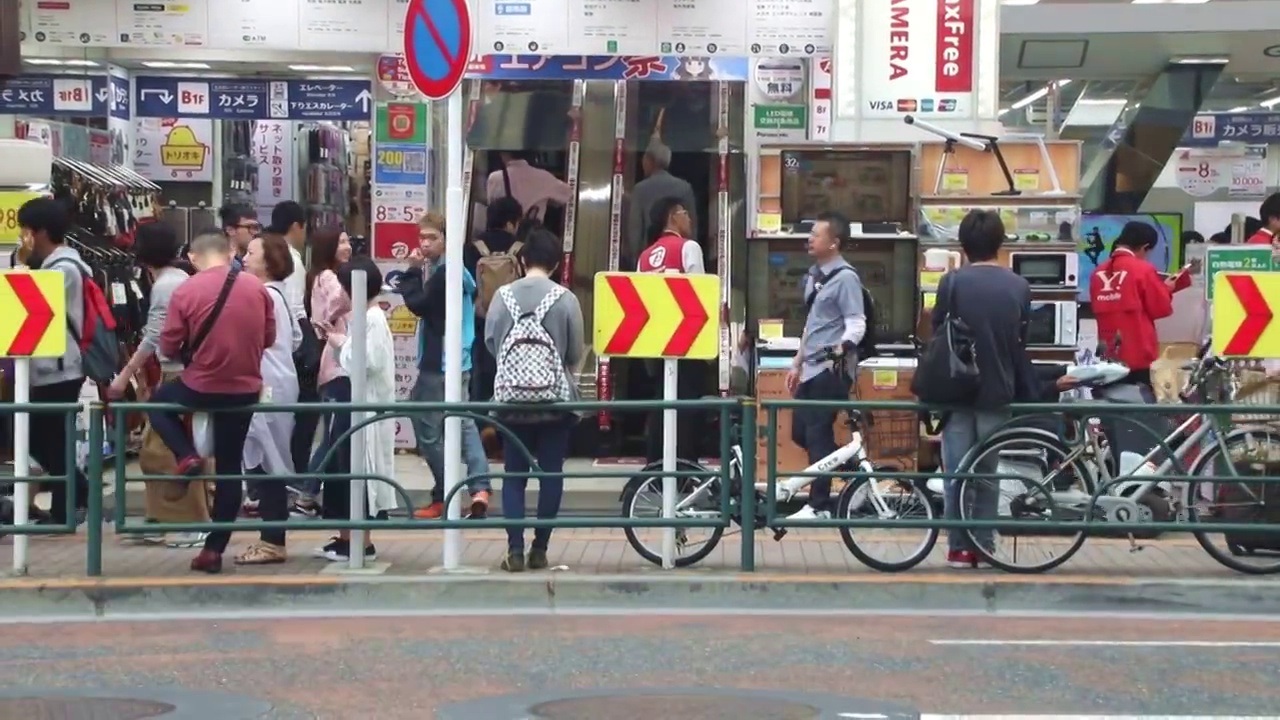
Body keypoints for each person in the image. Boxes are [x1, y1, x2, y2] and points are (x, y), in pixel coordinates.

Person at [148, 231, 275, 574]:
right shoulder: (257, 288)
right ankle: (213, 551)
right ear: (228, 251)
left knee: (158, 405)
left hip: (199, 386)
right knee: (230, 466)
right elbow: (269, 338)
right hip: (245, 388)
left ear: (192, 257)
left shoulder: (186, 290)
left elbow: (169, 346)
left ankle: (185, 455)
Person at [933, 210, 1031, 570]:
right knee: (988, 473)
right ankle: (985, 544)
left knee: (957, 472)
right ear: (1000, 243)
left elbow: (937, 330)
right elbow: (1021, 340)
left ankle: (958, 547)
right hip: (998, 390)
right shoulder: (1019, 286)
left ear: (963, 245)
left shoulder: (951, 282)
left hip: (957, 389)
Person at [485, 228, 584, 572]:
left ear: (523, 260)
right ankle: (540, 549)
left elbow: (491, 343)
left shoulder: (502, 296)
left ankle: (514, 550)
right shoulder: (566, 299)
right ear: (556, 264)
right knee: (551, 474)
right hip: (554, 402)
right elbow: (573, 352)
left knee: (514, 476)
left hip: (513, 403)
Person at [107, 223, 209, 548]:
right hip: (183, 372)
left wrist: (125, 375)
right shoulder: (181, 278)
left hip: (177, 374)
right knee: (165, 450)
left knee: (168, 452)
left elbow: (155, 336)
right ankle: (162, 519)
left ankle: (190, 523)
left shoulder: (166, 285)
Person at [398, 212, 493, 520]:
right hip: (460, 357)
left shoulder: (444, 274)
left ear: (446, 239)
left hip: (439, 361)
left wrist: (410, 274)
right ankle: (478, 488)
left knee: (427, 428)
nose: (424, 244)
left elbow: (420, 306)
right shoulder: (457, 271)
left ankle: (447, 489)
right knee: (463, 422)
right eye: (421, 238)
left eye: (431, 238)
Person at [314, 257, 400, 560]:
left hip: (365, 405)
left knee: (357, 471)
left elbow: (366, 362)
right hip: (360, 402)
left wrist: (340, 343)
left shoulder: (373, 318)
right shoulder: (368, 316)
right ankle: (347, 538)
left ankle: (359, 543)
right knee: (347, 469)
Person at [784, 211, 865, 521]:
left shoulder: (846, 278)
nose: (810, 239)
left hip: (831, 371)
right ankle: (851, 472)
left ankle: (819, 505)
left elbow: (856, 324)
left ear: (834, 243)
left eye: (816, 235)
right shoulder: (815, 276)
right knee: (800, 433)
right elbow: (812, 324)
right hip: (810, 368)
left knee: (817, 435)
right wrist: (797, 362)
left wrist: (839, 349)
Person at [16, 197, 91, 526]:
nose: (22, 238)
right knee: (39, 438)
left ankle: (70, 503)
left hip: (59, 370)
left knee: (48, 439)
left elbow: (26, 303)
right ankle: (70, 500)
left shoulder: (64, 271)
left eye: (25, 231)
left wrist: (20, 264)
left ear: (40, 232)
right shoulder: (51, 267)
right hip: (47, 370)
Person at [235, 233, 302, 565]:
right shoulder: (280, 295)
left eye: (251, 253)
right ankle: (270, 538)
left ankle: (273, 540)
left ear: (269, 261)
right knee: (268, 459)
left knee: (268, 463)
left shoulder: (263, 295)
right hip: (278, 382)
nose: (244, 258)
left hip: (266, 386)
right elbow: (296, 339)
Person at [637, 195, 707, 463]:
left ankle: (656, 464)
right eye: (685, 213)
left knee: (661, 402)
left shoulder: (644, 258)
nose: (689, 218)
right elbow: (699, 297)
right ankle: (684, 467)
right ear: (672, 216)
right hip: (685, 342)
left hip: (654, 344)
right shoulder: (688, 248)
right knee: (686, 406)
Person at [293, 228, 352, 519]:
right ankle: (307, 495)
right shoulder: (329, 277)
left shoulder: (319, 276)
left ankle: (309, 495)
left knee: (334, 434)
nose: (348, 246)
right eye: (341, 241)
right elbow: (337, 305)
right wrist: (358, 287)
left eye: (347, 240)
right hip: (339, 362)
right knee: (336, 436)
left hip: (333, 362)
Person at [1090, 221, 1177, 388]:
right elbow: (1161, 308)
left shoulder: (1097, 272)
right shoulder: (1142, 269)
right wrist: (1167, 289)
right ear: (1145, 247)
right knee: (1139, 405)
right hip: (1139, 354)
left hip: (1108, 352)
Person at [465, 196, 524, 411]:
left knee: (481, 371)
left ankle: (482, 421)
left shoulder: (472, 248)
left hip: (480, 318)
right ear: (510, 223)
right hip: (514, 324)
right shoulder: (521, 249)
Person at [628, 138, 698, 266]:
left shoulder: (640, 189)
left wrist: (636, 260)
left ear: (650, 161)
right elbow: (691, 228)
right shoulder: (684, 188)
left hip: (649, 259)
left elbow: (635, 230)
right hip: (680, 257)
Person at [485, 151, 572, 223]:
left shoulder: (495, 178)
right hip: (531, 237)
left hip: (505, 237)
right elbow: (568, 195)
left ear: (504, 154)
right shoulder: (544, 177)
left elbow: (491, 204)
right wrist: (546, 200)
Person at [265, 200, 309, 318]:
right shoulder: (291, 260)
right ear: (296, 226)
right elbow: (294, 307)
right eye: (304, 228)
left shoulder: (266, 253)